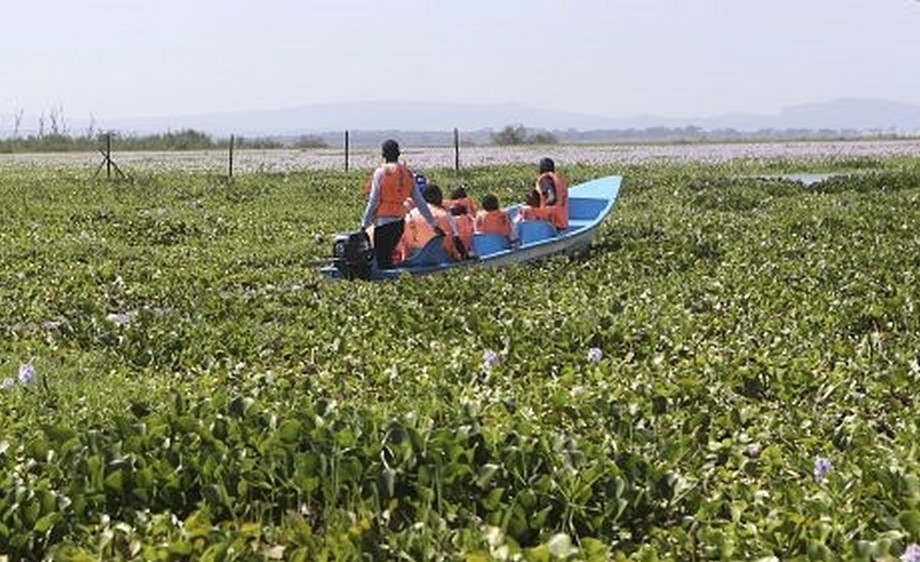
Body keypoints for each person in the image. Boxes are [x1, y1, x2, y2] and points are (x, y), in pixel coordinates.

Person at [361, 140, 441, 269]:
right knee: (387, 258)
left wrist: (364, 224)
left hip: (383, 224)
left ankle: (387, 283)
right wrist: (433, 223)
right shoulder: (408, 174)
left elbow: (373, 200)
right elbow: (420, 202)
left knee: (382, 262)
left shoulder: (380, 172)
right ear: (398, 154)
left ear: (383, 154)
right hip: (399, 225)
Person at [401, 183, 468, 262]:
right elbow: (456, 240)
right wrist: (465, 257)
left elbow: (405, 243)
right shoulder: (445, 215)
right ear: (439, 198)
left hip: (415, 259)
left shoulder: (409, 215)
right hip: (440, 258)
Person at [520, 157, 569, 229]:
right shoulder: (559, 179)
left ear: (541, 168)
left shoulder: (544, 179)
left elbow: (551, 197)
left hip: (551, 223)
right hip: (562, 221)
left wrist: (540, 211)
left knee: (524, 211)